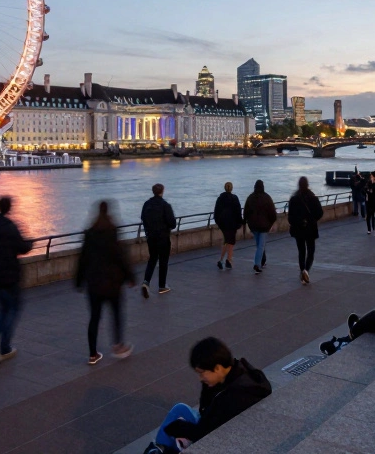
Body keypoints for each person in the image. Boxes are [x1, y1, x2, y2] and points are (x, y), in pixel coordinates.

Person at [148, 337, 272, 454]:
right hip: (219, 429)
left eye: (202, 373)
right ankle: (159, 448)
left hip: (223, 441)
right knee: (180, 409)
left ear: (217, 368)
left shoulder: (234, 396)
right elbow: (206, 411)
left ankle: (159, 449)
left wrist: (179, 428)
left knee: (172, 427)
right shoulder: (235, 371)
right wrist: (209, 386)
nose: (200, 378)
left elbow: (207, 433)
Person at [75, 202, 134, 365]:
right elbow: (121, 257)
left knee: (94, 318)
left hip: (94, 284)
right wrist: (130, 277)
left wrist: (79, 282)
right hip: (113, 284)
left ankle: (92, 354)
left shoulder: (89, 234)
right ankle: (118, 345)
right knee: (116, 314)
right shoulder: (112, 232)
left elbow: (82, 259)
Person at [0, 196, 33, 363]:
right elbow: (22, 247)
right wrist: (30, 242)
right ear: (9, 208)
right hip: (10, 276)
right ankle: (5, 347)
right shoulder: (11, 226)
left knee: (2, 309)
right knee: (13, 309)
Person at [141, 183, 177, 297]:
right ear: (162, 191)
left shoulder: (147, 204)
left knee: (152, 259)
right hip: (163, 237)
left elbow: (143, 218)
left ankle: (146, 282)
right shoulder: (165, 205)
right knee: (163, 261)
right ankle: (162, 286)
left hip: (151, 237)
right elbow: (172, 223)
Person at [287, 176, 324, 284]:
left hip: (298, 229)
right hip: (310, 228)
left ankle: (302, 270)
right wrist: (312, 220)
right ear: (307, 184)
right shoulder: (313, 197)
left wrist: (297, 222)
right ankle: (306, 271)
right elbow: (320, 213)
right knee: (311, 251)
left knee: (301, 251)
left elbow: (290, 217)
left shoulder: (294, 198)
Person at [244, 180, 276, 273]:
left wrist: (246, 222)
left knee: (259, 245)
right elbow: (272, 213)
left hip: (253, 226)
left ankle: (261, 261)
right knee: (261, 246)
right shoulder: (267, 198)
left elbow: (246, 212)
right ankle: (257, 264)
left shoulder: (250, 198)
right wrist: (270, 224)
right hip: (264, 226)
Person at [213, 182, 243, 270]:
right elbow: (238, 211)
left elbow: (216, 212)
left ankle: (223, 259)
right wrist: (240, 222)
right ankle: (228, 260)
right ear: (231, 188)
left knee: (226, 240)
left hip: (223, 224)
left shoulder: (220, 198)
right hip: (233, 223)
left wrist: (218, 222)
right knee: (231, 241)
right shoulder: (235, 198)